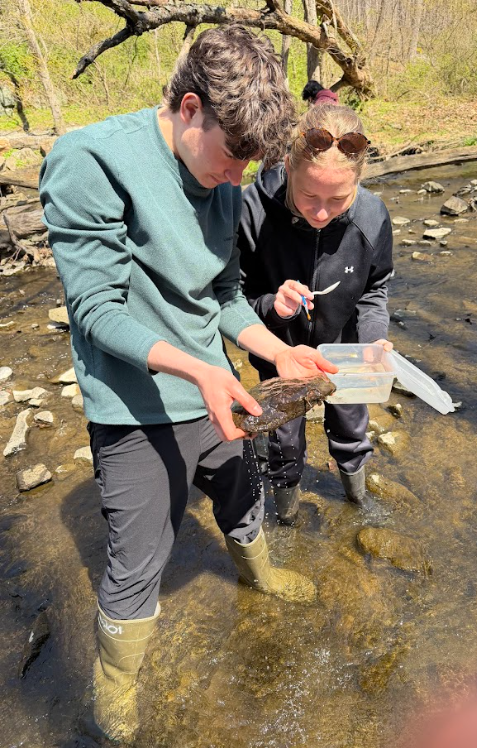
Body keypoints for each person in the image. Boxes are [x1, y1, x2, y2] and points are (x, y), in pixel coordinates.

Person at [39, 25, 336, 743]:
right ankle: (114, 686)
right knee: (138, 562)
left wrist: (276, 351)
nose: (238, 179)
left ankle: (258, 572)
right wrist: (198, 368)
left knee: (241, 490)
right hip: (136, 405)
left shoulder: (224, 183)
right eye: (234, 158)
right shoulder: (90, 162)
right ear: (190, 106)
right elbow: (96, 312)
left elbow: (226, 294)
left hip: (215, 388)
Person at [238, 104, 393, 526]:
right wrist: (273, 305)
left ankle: (357, 502)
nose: (321, 212)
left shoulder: (372, 216)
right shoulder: (250, 210)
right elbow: (231, 299)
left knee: (351, 429)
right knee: (283, 443)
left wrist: (374, 339)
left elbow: (375, 290)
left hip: (343, 352)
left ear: (358, 182)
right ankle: (286, 519)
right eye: (309, 196)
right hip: (278, 353)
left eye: (338, 200)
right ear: (288, 166)